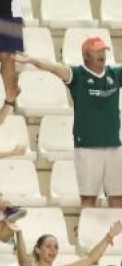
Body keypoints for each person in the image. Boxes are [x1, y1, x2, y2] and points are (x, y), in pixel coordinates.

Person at [15, 40, 122, 207]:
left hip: (114, 145)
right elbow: (53, 67)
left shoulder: (114, 74)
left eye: (103, 51)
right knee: (88, 197)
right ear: (86, 55)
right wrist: (32, 60)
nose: (102, 55)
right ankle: (88, 232)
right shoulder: (77, 75)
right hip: (87, 146)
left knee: (118, 197)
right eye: (96, 51)